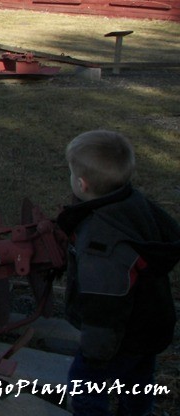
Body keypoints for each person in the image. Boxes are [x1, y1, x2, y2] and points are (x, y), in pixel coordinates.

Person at [56, 130, 180, 416]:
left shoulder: (102, 242)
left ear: (82, 184)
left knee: (85, 390)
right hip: (149, 326)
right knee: (137, 386)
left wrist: (94, 352)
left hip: (117, 337)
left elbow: (104, 305)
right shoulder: (133, 203)